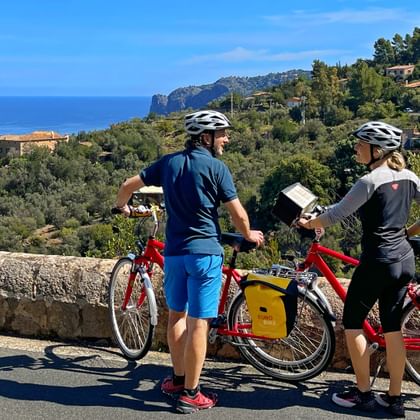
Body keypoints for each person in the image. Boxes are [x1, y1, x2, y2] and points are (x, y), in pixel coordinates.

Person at [114, 110, 264, 414]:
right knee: (199, 322)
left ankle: (178, 379)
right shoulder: (216, 168)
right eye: (222, 134)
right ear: (206, 137)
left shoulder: (169, 163)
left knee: (176, 317)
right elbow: (237, 213)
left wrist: (123, 207)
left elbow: (128, 185)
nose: (226, 139)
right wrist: (250, 235)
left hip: (174, 254)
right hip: (205, 255)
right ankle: (191, 393)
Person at [298, 121, 420, 418]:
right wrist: (408, 232)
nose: (355, 148)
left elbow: (335, 215)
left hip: (378, 261)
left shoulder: (369, 181)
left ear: (376, 150)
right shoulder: (410, 176)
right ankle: (394, 398)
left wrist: (306, 223)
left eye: (360, 144)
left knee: (353, 323)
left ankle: (363, 394)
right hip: (404, 260)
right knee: (393, 329)